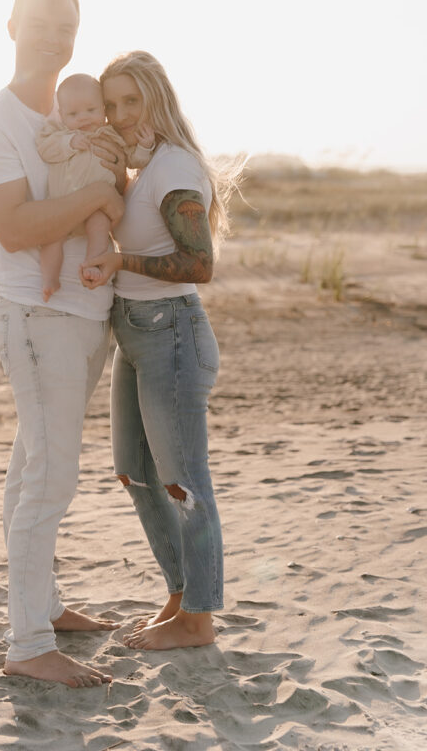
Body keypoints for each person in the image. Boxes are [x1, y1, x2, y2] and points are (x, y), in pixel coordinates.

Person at [0, 0, 126, 688]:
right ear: (11, 28)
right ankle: (26, 646)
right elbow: (17, 227)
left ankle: (46, 607)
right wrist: (96, 194)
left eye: (67, 26)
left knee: (34, 465)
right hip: (36, 318)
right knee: (50, 480)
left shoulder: (81, 113)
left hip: (86, 320)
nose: (54, 37)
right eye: (41, 23)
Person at [80, 50, 242, 651]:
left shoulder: (176, 167)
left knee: (184, 481)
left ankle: (199, 618)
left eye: (132, 101)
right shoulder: (148, 165)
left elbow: (200, 264)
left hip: (172, 329)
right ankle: (180, 595)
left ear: (157, 101)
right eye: (112, 103)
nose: (120, 114)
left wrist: (121, 260)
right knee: (136, 471)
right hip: (135, 331)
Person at [36, 72, 154, 301]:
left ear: (103, 109)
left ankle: (93, 264)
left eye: (91, 110)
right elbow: (45, 149)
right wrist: (68, 143)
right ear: (62, 115)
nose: (83, 118)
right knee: (51, 240)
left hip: (96, 209)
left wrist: (145, 148)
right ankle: (49, 279)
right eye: (73, 113)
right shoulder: (60, 133)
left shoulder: (112, 136)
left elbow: (133, 161)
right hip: (62, 206)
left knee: (100, 230)